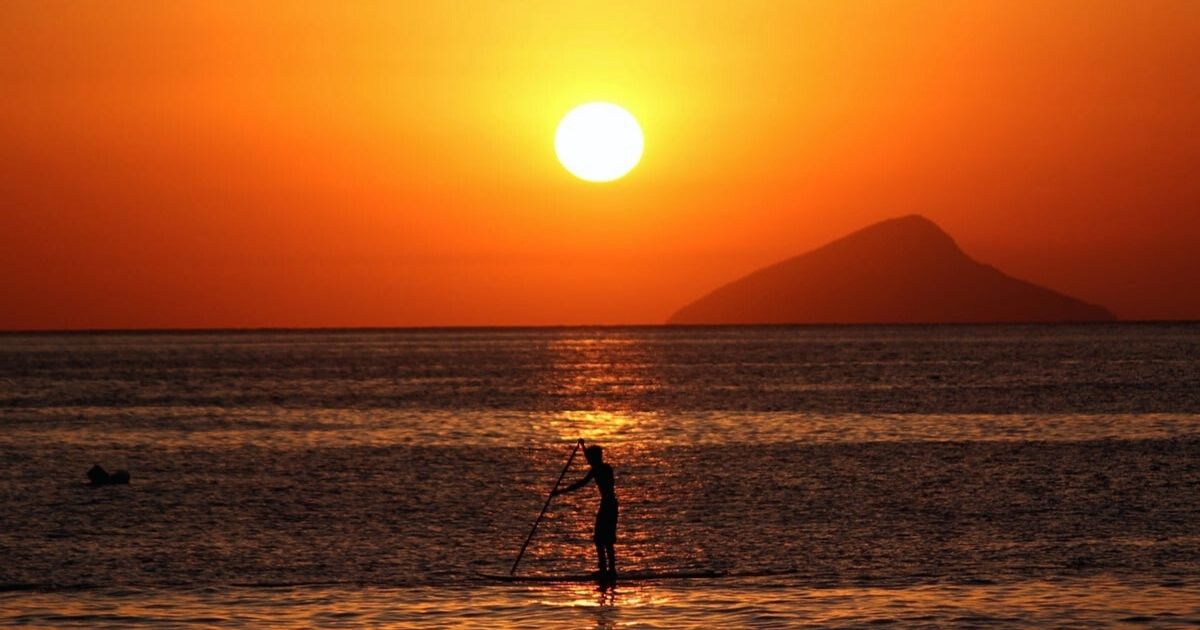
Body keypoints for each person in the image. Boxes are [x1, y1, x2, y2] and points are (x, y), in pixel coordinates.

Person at [553, 444, 618, 578]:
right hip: (609, 504)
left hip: (609, 505)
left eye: (589, 458)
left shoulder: (601, 469)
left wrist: (560, 491)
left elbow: (581, 483)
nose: (587, 461)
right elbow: (592, 465)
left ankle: (609, 571)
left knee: (604, 539)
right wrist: (583, 447)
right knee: (601, 538)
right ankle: (606, 570)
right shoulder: (601, 468)